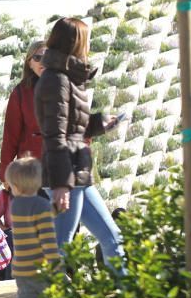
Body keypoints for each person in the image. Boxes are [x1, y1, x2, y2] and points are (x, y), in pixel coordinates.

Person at [35, 17, 125, 273]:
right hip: (68, 177)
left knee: (112, 239)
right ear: (75, 43)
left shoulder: (66, 79)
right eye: (85, 40)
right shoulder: (56, 81)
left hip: (78, 176)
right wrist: (61, 185)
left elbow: (72, 129)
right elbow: (55, 136)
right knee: (61, 249)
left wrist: (98, 124)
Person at [4, 157, 59, 298]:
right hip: (38, 266)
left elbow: (32, 217)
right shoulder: (41, 206)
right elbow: (47, 238)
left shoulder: (16, 205)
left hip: (21, 266)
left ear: (17, 186)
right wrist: (56, 263)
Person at [0, 41, 46, 185]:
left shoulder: (66, 88)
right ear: (29, 63)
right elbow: (10, 135)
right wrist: (5, 172)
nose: (43, 62)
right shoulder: (20, 93)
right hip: (30, 172)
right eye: (37, 58)